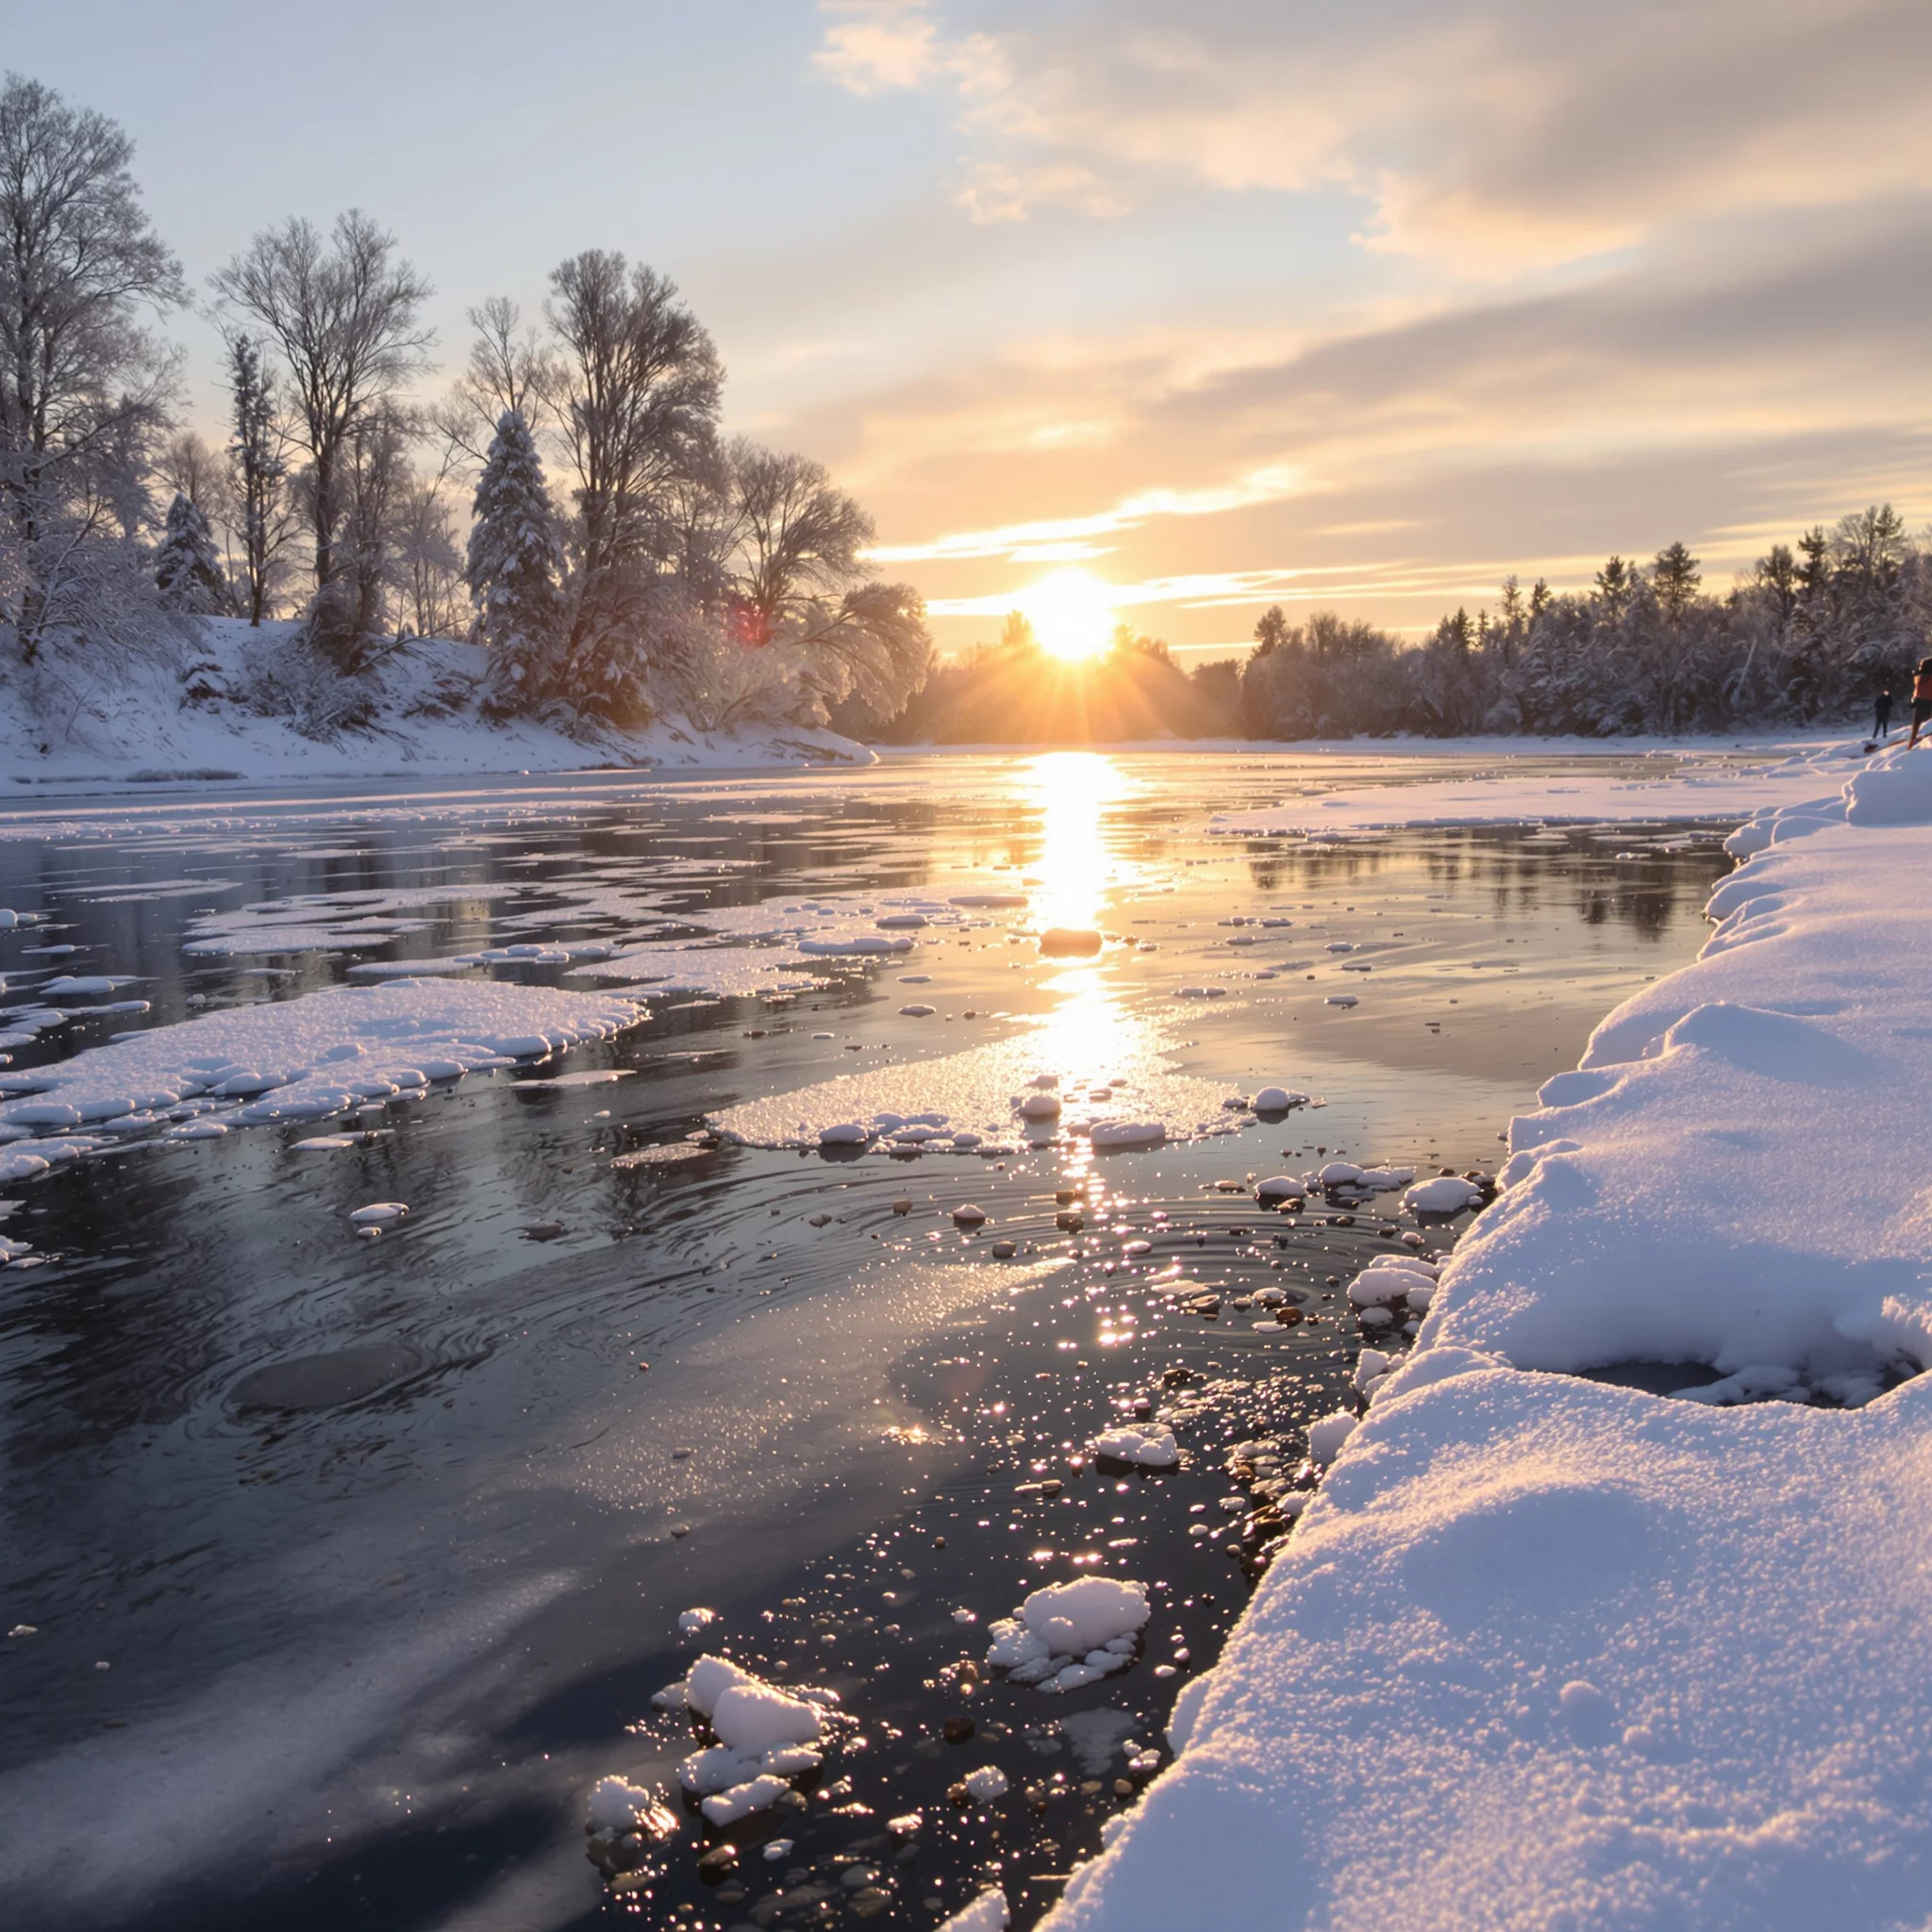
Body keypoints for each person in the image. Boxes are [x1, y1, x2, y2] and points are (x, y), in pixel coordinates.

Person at [1911, 658, 1932, 749]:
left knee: (1917, 720)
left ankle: (1913, 738)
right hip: (1928, 698)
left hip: (1919, 698)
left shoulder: (1919, 677)